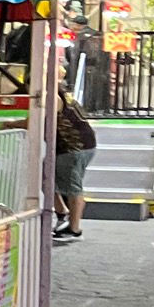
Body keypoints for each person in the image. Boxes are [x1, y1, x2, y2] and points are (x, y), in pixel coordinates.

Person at [52, 90, 97, 243]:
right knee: (48, 178)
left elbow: (37, 120)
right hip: (82, 146)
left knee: (73, 188)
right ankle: (63, 213)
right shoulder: (65, 96)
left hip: (74, 148)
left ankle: (74, 229)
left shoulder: (53, 98)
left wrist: (11, 124)